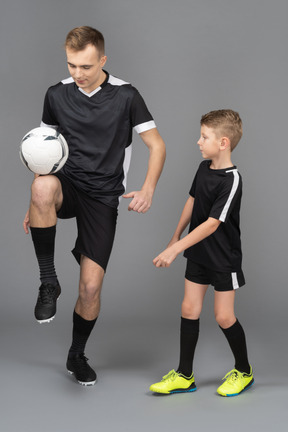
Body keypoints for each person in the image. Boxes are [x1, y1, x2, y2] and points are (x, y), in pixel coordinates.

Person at [23, 26, 166, 386]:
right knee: (41, 186)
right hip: (68, 184)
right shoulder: (56, 94)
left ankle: (76, 354)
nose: (78, 73)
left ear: (102, 60)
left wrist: (147, 188)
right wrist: (37, 200)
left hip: (103, 196)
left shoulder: (126, 95)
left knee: (89, 288)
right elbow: (44, 150)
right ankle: (48, 282)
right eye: (72, 65)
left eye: (86, 66)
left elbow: (157, 145)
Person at [149, 109, 254, 397]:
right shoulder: (202, 167)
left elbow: (212, 223)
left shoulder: (232, 179)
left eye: (204, 136)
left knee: (223, 316)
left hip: (223, 258)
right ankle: (184, 376)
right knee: (189, 309)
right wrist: (174, 238)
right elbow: (193, 202)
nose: (198, 141)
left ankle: (244, 371)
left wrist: (175, 250)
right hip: (198, 253)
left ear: (223, 142)